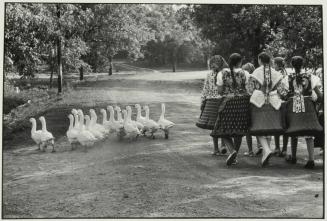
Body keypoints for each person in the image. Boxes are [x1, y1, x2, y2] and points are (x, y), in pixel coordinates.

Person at [247, 52, 289, 166]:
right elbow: (283, 91)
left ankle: (266, 150)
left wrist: (257, 92)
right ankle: (267, 152)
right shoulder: (275, 73)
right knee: (269, 127)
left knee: (257, 127)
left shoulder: (256, 72)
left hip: (259, 103)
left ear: (260, 60)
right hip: (273, 102)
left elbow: (249, 89)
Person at [211, 53, 251, 166]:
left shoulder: (221, 73)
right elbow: (248, 89)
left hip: (228, 103)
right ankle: (235, 155)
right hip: (242, 104)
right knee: (239, 131)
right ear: (240, 62)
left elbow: (219, 91)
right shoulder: (246, 73)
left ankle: (232, 150)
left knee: (221, 129)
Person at [285, 56, 323, 169]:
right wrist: (316, 103)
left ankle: (293, 157)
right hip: (307, 105)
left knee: (293, 130)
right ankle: (311, 160)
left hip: (293, 105)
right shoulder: (311, 76)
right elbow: (319, 96)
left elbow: (283, 93)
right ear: (303, 64)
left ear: (292, 65)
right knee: (308, 132)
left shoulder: (288, 78)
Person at [196, 55, 229, 156]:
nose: (212, 66)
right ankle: (221, 146)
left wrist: (202, 102)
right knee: (220, 125)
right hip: (221, 101)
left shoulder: (211, 74)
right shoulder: (225, 73)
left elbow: (205, 90)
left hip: (212, 102)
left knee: (216, 126)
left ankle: (217, 148)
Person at [272, 57, 289, 157]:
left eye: (274, 64)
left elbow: (277, 88)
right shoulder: (286, 73)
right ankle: (284, 149)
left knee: (277, 124)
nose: (273, 66)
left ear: (277, 65)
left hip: (278, 101)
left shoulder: (276, 74)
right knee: (285, 124)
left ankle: (277, 148)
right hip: (285, 101)